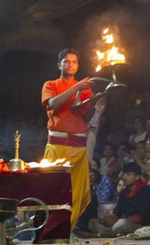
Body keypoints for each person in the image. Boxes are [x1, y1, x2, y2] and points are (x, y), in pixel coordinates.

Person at [41, 48, 101, 228]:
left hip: (78, 146)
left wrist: (95, 103)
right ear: (59, 64)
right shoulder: (50, 85)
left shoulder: (85, 89)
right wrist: (77, 87)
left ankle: (66, 229)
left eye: (74, 62)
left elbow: (85, 115)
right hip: (57, 146)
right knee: (53, 189)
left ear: (78, 65)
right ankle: (50, 229)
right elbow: (53, 104)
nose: (70, 65)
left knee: (76, 192)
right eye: (66, 61)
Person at [88, 162, 150, 237]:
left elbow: (139, 218)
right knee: (93, 222)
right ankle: (109, 233)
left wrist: (117, 221)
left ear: (137, 177)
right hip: (122, 223)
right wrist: (106, 220)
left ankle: (99, 234)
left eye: (128, 174)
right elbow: (117, 213)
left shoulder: (145, 191)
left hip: (142, 226)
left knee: (122, 224)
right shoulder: (123, 193)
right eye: (124, 174)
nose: (124, 177)